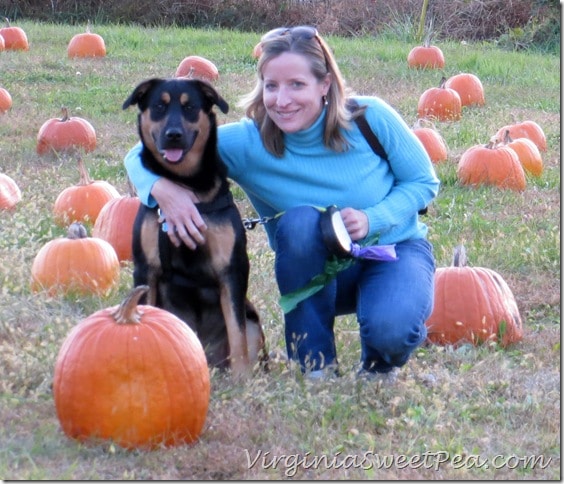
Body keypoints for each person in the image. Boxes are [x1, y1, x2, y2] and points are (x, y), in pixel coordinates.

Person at [124, 26, 440, 382]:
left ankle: (380, 362)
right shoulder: (250, 142)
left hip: (394, 253)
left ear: (325, 85)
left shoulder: (370, 118)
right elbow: (139, 154)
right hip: (315, 271)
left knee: (392, 328)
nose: (281, 100)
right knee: (301, 222)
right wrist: (163, 190)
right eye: (271, 86)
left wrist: (372, 218)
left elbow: (424, 182)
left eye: (296, 85)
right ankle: (314, 367)